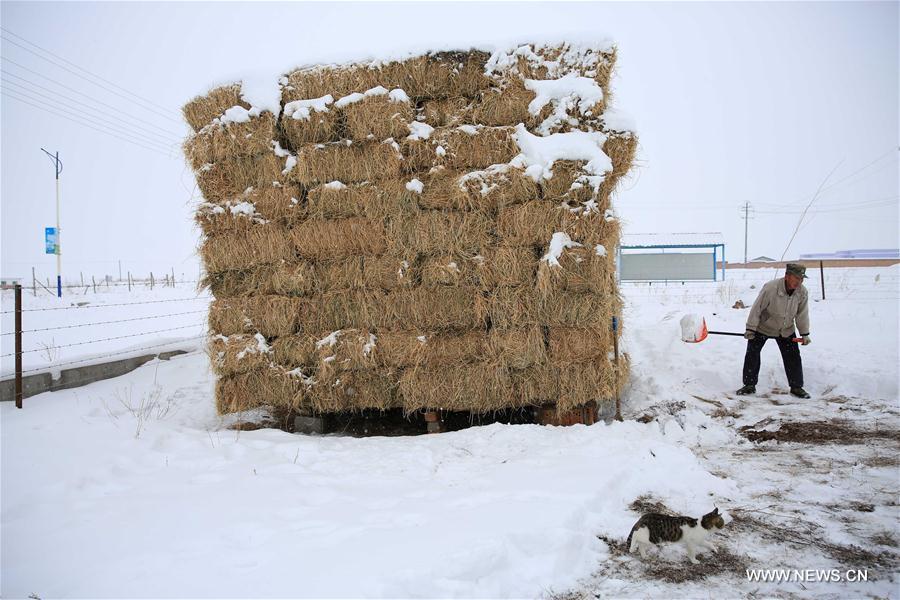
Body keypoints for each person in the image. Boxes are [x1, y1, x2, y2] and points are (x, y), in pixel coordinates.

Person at [736, 263, 811, 399]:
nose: (799, 282)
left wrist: (804, 334)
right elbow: (757, 308)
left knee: (793, 357)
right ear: (787, 276)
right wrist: (750, 328)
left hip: (786, 329)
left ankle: (796, 387)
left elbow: (802, 314)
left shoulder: (802, 292)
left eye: (801, 279)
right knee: (752, 354)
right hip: (763, 326)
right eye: (796, 278)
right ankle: (749, 385)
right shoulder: (771, 288)